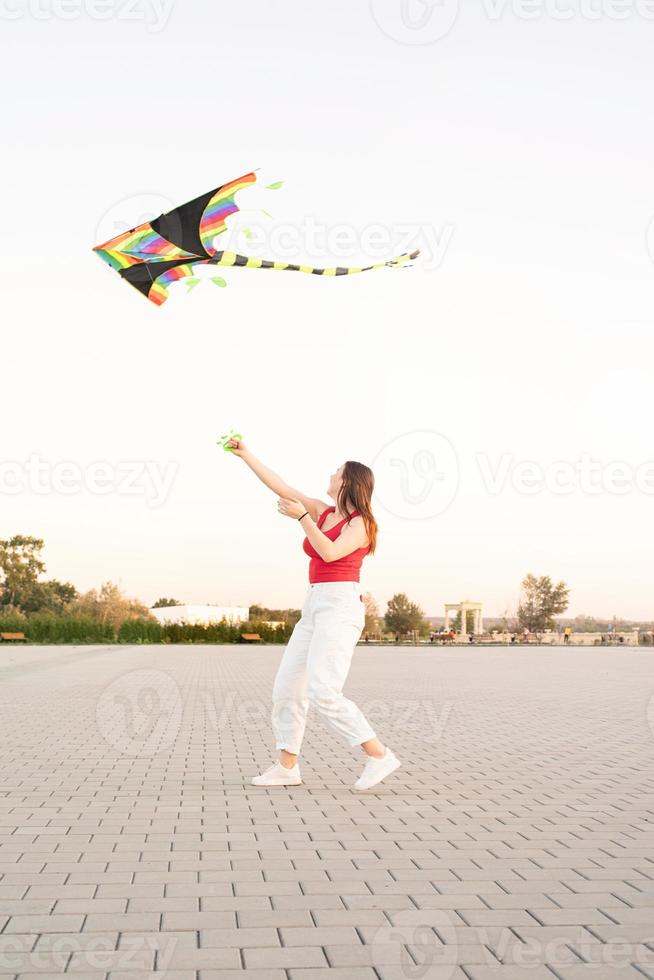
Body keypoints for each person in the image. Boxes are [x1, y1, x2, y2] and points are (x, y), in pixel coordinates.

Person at [225, 437, 401, 792]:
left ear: (349, 482)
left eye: (337, 472)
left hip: (340, 606)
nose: (331, 474)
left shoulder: (361, 524)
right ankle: (287, 766)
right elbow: (282, 486)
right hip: (315, 605)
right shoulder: (325, 511)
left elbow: (331, 552)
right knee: (287, 687)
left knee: (324, 690)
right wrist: (246, 455)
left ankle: (378, 754)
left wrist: (303, 517)